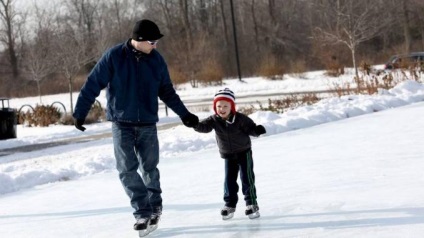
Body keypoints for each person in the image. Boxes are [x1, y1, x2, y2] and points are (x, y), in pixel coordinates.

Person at [72, 19, 199, 236]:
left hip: (148, 123)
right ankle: (142, 210)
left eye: (157, 41)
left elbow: (167, 91)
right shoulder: (114, 56)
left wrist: (184, 114)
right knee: (126, 170)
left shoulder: (156, 60)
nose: (155, 45)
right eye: (152, 41)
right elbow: (93, 83)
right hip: (122, 123)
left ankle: (155, 205)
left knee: (149, 168)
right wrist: (80, 112)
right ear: (138, 40)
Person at [193, 88, 266, 220]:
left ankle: (251, 204)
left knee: (247, 178)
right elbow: (204, 127)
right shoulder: (214, 120)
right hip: (228, 155)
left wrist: (257, 130)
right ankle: (229, 204)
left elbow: (251, 129)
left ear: (232, 106)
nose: (222, 108)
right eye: (219, 106)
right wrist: (194, 124)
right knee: (229, 181)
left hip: (244, 152)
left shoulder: (240, 119)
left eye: (225, 106)